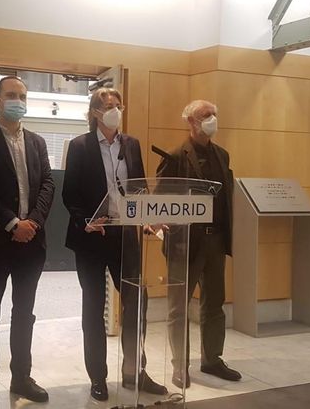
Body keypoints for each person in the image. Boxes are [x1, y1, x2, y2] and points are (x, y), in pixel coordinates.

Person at [62, 88, 168, 401]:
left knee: (138, 303)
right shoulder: (80, 146)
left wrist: (148, 216)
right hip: (93, 237)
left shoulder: (131, 144)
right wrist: (86, 222)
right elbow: (70, 195)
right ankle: (98, 377)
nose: (115, 110)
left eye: (118, 106)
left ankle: (136, 371)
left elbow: (141, 188)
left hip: (126, 236)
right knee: (93, 308)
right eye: (109, 106)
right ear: (95, 112)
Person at [0, 76, 55, 409]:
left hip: (32, 242)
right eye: (11, 95)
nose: (18, 100)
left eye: (22, 95)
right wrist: (12, 223)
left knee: (25, 314)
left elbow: (47, 184)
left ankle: (21, 377)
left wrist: (33, 223)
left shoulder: (37, 141)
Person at [157, 100, 242, 389]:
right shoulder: (174, 156)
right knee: (178, 307)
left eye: (214, 114)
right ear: (191, 122)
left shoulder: (223, 155)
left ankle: (212, 360)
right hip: (185, 244)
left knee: (214, 303)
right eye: (206, 116)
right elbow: (160, 202)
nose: (212, 120)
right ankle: (180, 366)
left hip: (217, 240)